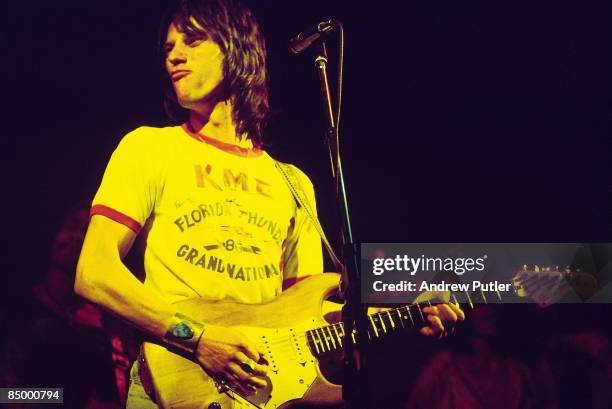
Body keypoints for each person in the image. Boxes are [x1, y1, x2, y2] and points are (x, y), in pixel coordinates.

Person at [75, 0, 464, 406]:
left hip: (256, 392)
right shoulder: (149, 148)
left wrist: (407, 316)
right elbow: (94, 272)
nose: (174, 54)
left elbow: (306, 323)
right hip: (173, 385)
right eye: (169, 47)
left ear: (237, 50)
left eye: (191, 41)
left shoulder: (293, 184)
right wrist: (198, 339)